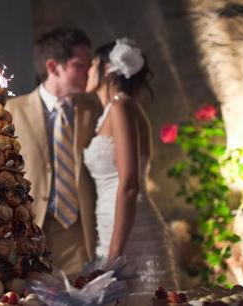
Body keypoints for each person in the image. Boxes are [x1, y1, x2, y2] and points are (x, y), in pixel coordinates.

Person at [83, 38, 178, 292]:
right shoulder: (115, 109)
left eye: (92, 65)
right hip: (111, 225)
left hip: (129, 231)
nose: (87, 72)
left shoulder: (120, 106)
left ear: (106, 68)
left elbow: (129, 183)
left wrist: (115, 256)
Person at [5, 27, 102, 276]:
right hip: (32, 232)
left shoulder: (95, 107)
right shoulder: (11, 111)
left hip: (83, 232)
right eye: (80, 65)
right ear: (53, 67)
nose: (89, 72)